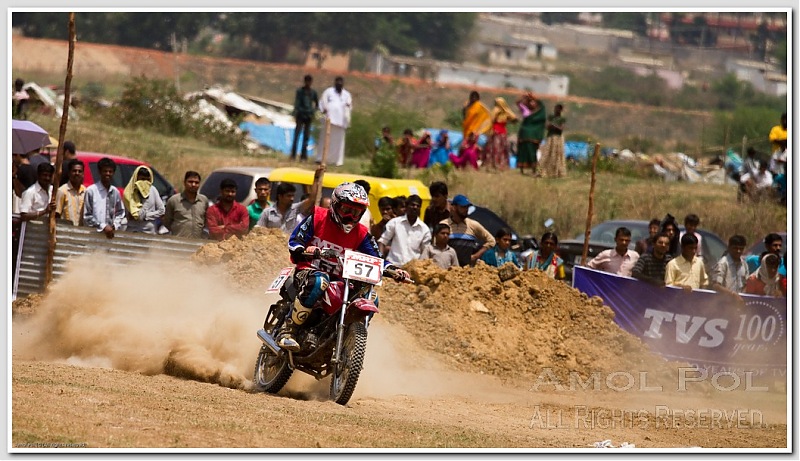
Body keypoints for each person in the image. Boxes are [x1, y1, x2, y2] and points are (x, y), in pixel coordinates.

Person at [277, 182, 410, 351]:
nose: (350, 216)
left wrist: (395, 270)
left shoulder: (361, 233)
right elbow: (296, 240)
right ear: (335, 204)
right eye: (346, 210)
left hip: (341, 280)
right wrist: (306, 249)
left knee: (371, 297)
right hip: (308, 271)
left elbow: (377, 258)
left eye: (355, 212)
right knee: (320, 281)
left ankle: (347, 340)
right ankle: (288, 330)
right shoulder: (318, 217)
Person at [442, 194, 495, 267]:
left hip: (467, 271)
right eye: (463, 207)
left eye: (467, 207)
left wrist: (475, 256)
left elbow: (491, 241)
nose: (466, 209)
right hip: (447, 269)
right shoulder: (444, 224)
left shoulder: (473, 225)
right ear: (454, 207)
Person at [378, 195, 431, 266]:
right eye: (412, 205)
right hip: (393, 266)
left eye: (418, 206)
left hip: (412, 270)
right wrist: (380, 259)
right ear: (406, 207)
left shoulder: (424, 229)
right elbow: (382, 242)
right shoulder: (395, 223)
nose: (415, 207)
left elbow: (425, 251)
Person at [83, 157, 127, 239]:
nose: (108, 174)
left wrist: (115, 225)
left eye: (110, 171)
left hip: (110, 236)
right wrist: (103, 227)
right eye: (105, 171)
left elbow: (121, 212)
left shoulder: (115, 192)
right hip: (94, 235)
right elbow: (87, 216)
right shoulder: (91, 191)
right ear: (99, 172)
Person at [316, 76, 352, 167]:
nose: (339, 83)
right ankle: (321, 158)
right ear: (335, 82)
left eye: (341, 82)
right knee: (325, 140)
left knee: (338, 142)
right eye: (337, 82)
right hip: (329, 120)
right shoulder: (328, 92)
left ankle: (337, 161)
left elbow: (349, 106)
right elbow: (322, 103)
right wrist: (325, 111)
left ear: (343, 83)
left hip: (341, 122)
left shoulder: (346, 94)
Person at [163, 171, 209, 239]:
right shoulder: (174, 200)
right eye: (190, 182)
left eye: (196, 182)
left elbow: (206, 221)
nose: (193, 184)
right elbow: (167, 222)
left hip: (198, 243)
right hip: (178, 242)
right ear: (184, 182)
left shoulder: (204, 200)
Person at [122, 165, 165, 234]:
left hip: (149, 231)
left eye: (147, 180)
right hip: (133, 230)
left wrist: (146, 216)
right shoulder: (129, 192)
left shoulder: (153, 190)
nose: (144, 183)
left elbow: (161, 211)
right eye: (142, 179)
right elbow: (126, 214)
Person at [516, 92, 546, 176]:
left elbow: (541, 104)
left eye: (533, 102)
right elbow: (518, 103)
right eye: (530, 102)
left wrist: (533, 97)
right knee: (523, 152)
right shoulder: (526, 110)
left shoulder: (540, 112)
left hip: (533, 136)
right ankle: (521, 169)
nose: (532, 103)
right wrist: (523, 97)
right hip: (524, 134)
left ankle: (534, 170)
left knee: (532, 152)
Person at [290, 74, 319, 161]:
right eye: (307, 81)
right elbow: (297, 103)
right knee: (296, 135)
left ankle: (303, 156)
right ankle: (293, 155)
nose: (308, 83)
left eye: (309, 81)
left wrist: (312, 112)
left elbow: (317, 104)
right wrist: (298, 112)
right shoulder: (300, 91)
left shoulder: (313, 93)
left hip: (308, 116)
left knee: (306, 137)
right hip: (300, 115)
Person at [487, 97, 517, 171]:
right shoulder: (495, 111)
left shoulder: (506, 112)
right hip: (496, 131)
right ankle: (494, 164)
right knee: (495, 148)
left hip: (502, 132)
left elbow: (514, 118)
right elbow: (491, 120)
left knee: (502, 148)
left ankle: (502, 164)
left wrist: (506, 113)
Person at [54, 158, 86, 226]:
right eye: (74, 171)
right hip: (66, 231)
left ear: (83, 174)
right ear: (69, 173)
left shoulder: (86, 191)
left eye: (80, 171)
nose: (77, 173)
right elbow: (56, 215)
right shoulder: (62, 191)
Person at [540, 103, 567, 178]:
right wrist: (552, 126)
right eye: (557, 108)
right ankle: (544, 171)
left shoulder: (562, 118)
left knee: (557, 154)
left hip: (558, 138)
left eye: (559, 109)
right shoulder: (551, 117)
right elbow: (547, 126)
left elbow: (561, 129)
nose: (558, 110)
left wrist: (554, 126)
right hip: (551, 137)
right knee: (547, 153)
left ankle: (556, 172)